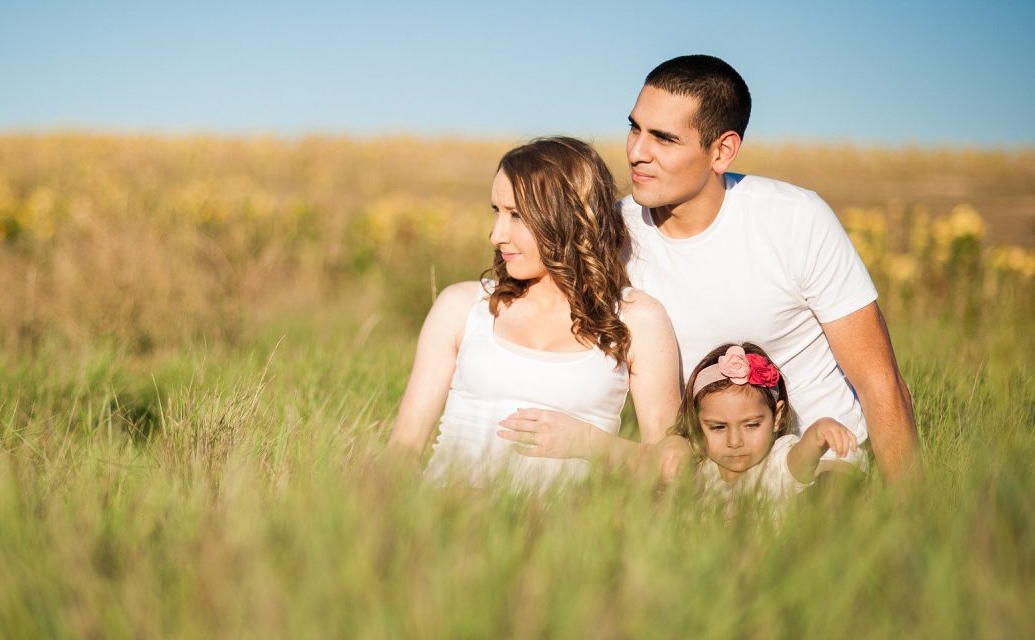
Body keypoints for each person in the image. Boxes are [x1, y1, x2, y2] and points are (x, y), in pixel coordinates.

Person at [527, 55, 920, 484]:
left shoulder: (795, 219)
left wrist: (911, 520)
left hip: (816, 468)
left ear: (722, 150)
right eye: (634, 128)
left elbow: (880, 383)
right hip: (697, 473)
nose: (637, 152)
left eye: (664, 138)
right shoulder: (612, 234)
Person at [384, 137, 680, 493]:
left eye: (516, 215)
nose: (496, 234)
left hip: (566, 538)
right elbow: (401, 452)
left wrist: (591, 443)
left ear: (568, 215)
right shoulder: (462, 307)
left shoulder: (637, 319)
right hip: (447, 524)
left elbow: (674, 466)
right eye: (496, 211)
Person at [671, 342, 858, 512]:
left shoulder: (778, 463)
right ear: (696, 423)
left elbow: (802, 457)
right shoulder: (700, 466)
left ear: (776, 417)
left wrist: (819, 432)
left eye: (751, 425)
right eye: (718, 427)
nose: (735, 442)